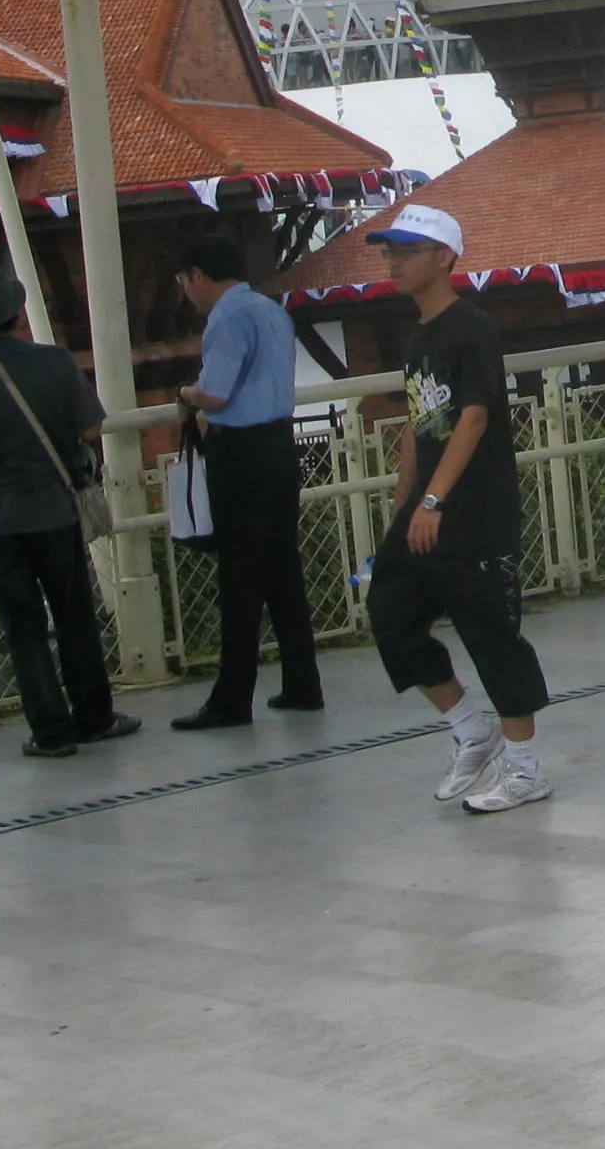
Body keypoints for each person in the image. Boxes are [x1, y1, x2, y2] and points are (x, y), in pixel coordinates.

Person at [362, 205, 555, 814]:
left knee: (491, 634)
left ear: (443, 256)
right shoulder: (418, 337)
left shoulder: (473, 328)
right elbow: (420, 424)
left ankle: (525, 769)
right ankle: (471, 729)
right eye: (388, 252)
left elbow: (473, 417)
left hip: (475, 512)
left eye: (405, 251)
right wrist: (404, 506)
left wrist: (435, 499)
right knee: (390, 613)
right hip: (426, 511)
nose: (392, 262)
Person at [0, 267, 137, 759]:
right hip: (53, 511)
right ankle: (94, 717)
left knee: (23, 628)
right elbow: (90, 429)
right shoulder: (55, 362)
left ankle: (50, 732)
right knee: (74, 617)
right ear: (17, 314)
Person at [171, 230, 323, 730]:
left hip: (240, 454)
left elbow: (215, 394)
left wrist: (186, 393)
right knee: (282, 570)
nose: (185, 292)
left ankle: (231, 699)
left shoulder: (226, 318)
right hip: (279, 445)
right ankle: (302, 683)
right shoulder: (271, 311)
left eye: (183, 281)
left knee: (239, 576)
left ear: (199, 276)